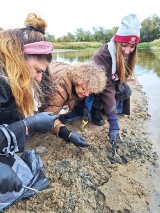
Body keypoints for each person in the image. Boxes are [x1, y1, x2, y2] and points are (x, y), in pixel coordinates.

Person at [0, 13, 59, 195]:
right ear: (20, 57)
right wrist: (28, 124)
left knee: (25, 177)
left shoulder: (11, 79)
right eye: (37, 70)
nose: (39, 78)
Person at [90, 14, 141, 152]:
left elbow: (120, 80)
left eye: (132, 47)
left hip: (111, 83)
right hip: (96, 87)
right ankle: (96, 109)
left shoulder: (127, 54)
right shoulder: (103, 55)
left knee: (127, 91)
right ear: (118, 42)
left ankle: (106, 108)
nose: (127, 51)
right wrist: (113, 123)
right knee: (104, 93)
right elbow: (106, 88)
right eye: (124, 45)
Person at [41, 61, 107, 147]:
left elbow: (78, 95)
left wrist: (85, 108)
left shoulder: (79, 81)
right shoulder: (60, 87)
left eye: (89, 91)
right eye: (84, 89)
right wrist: (67, 134)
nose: (86, 94)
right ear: (76, 80)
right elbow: (48, 116)